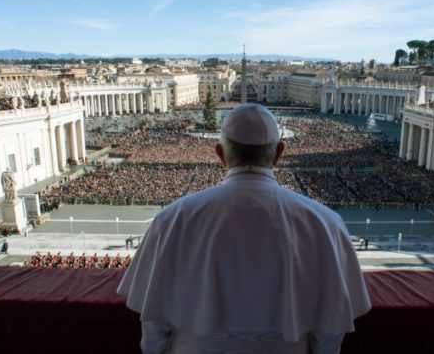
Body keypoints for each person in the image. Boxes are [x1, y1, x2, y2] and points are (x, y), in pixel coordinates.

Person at [118, 103, 371, 354]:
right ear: (279, 153)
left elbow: (154, 322)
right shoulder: (324, 222)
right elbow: (330, 329)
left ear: (219, 153)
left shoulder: (172, 218)